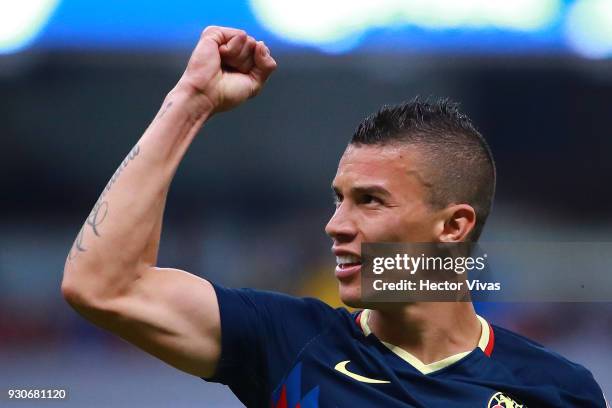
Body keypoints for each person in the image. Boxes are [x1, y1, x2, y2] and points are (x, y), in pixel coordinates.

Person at [61, 26, 607, 408]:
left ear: (453, 226)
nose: (336, 224)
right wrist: (191, 101)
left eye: (369, 200)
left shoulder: (556, 390)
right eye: (337, 199)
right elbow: (103, 285)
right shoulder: (287, 341)